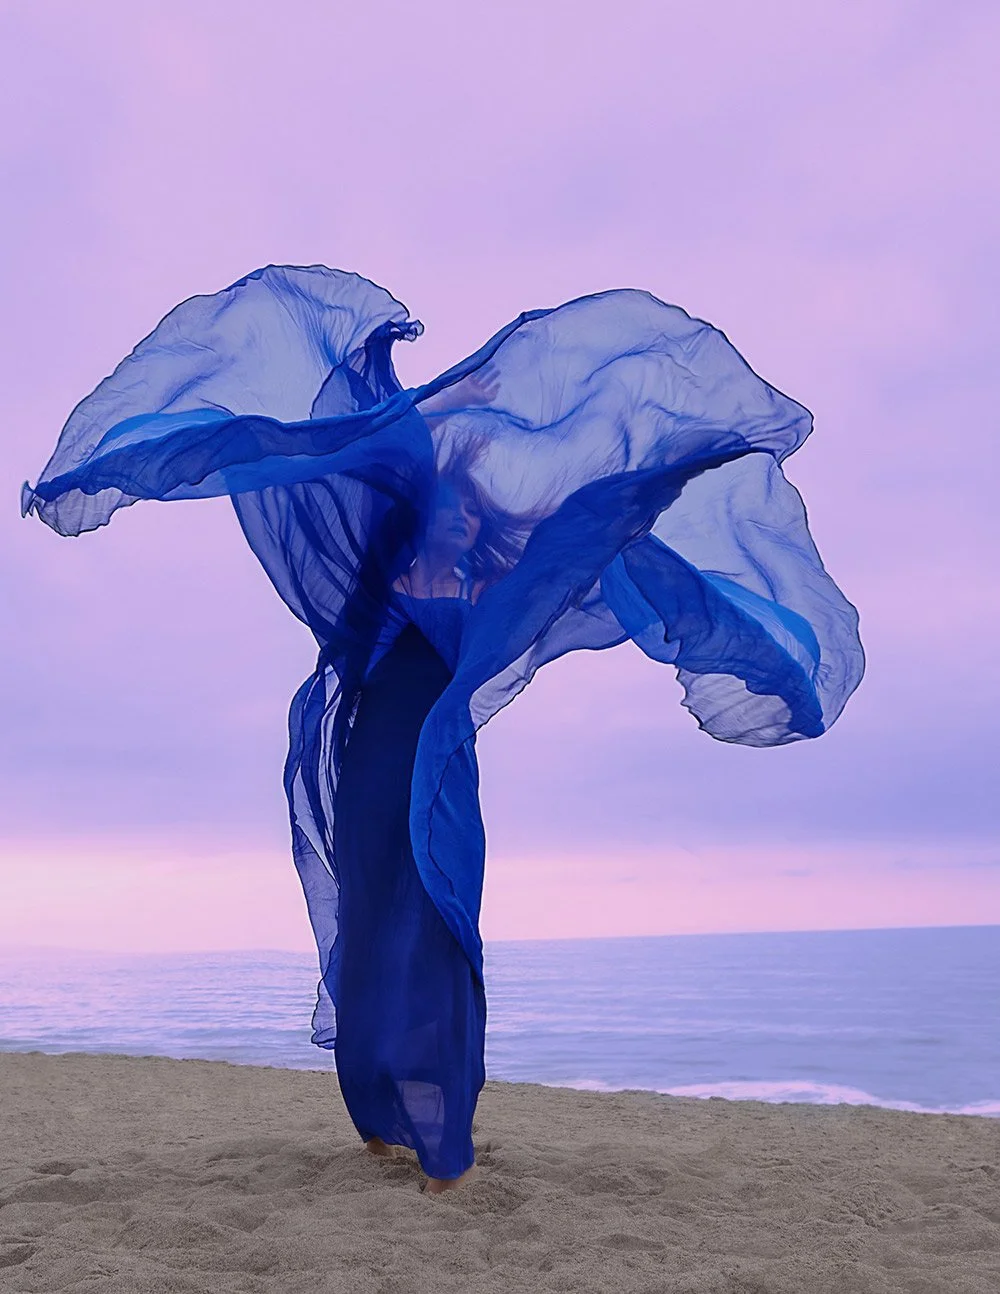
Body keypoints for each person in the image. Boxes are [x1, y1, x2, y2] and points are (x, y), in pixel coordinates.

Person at [22, 264, 864, 1192]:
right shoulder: (382, 544)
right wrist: (123, 467)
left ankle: (439, 1134)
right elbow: (283, 447)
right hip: (378, 726)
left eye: (468, 513)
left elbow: (592, 543)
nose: (458, 522)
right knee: (378, 905)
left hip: (430, 741)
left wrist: (672, 468)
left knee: (433, 911)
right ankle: (384, 1120)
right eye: (451, 504)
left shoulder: (499, 574)